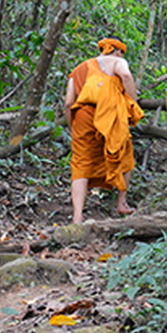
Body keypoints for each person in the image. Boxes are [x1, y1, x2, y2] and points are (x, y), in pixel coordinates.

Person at [64, 36, 143, 224]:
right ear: (118, 51)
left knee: (81, 163)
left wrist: (73, 125)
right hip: (109, 114)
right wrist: (133, 104)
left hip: (83, 116)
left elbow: (68, 102)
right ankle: (121, 203)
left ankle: (77, 217)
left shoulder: (79, 69)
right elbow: (126, 76)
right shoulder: (118, 61)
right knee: (124, 154)